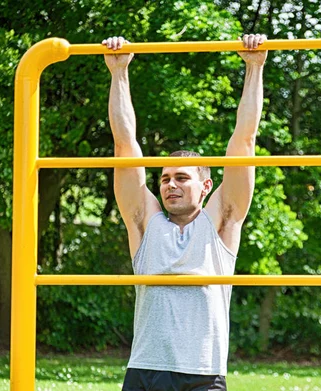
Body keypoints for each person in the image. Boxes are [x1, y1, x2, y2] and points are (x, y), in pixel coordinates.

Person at [102, 33, 268, 391]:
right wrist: (119, 73)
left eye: (181, 178)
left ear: (206, 187)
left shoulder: (221, 221)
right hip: (145, 369)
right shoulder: (146, 223)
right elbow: (124, 145)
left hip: (202, 372)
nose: (170, 185)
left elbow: (244, 142)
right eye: (164, 179)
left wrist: (255, 67)